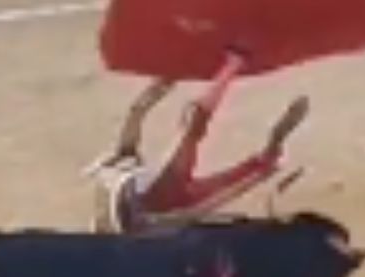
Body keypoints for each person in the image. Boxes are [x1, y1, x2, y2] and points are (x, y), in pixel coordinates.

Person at [89, 49, 310, 233]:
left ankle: (234, 66)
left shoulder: (132, 204)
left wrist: (155, 93)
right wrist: (157, 91)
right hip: (162, 204)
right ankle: (233, 64)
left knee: (239, 173)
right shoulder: (121, 184)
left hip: (166, 209)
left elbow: (135, 117)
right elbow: (136, 115)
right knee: (194, 131)